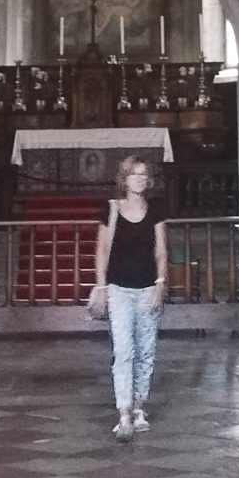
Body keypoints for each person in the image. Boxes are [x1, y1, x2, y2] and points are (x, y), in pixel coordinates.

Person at [89, 156, 169, 441]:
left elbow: (161, 250)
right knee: (124, 351)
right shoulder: (111, 209)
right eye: (134, 174)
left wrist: (161, 282)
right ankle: (123, 411)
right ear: (124, 179)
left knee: (146, 350)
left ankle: (139, 406)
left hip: (148, 288)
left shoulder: (155, 210)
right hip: (119, 289)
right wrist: (101, 286)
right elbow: (102, 250)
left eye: (144, 174)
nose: (139, 179)